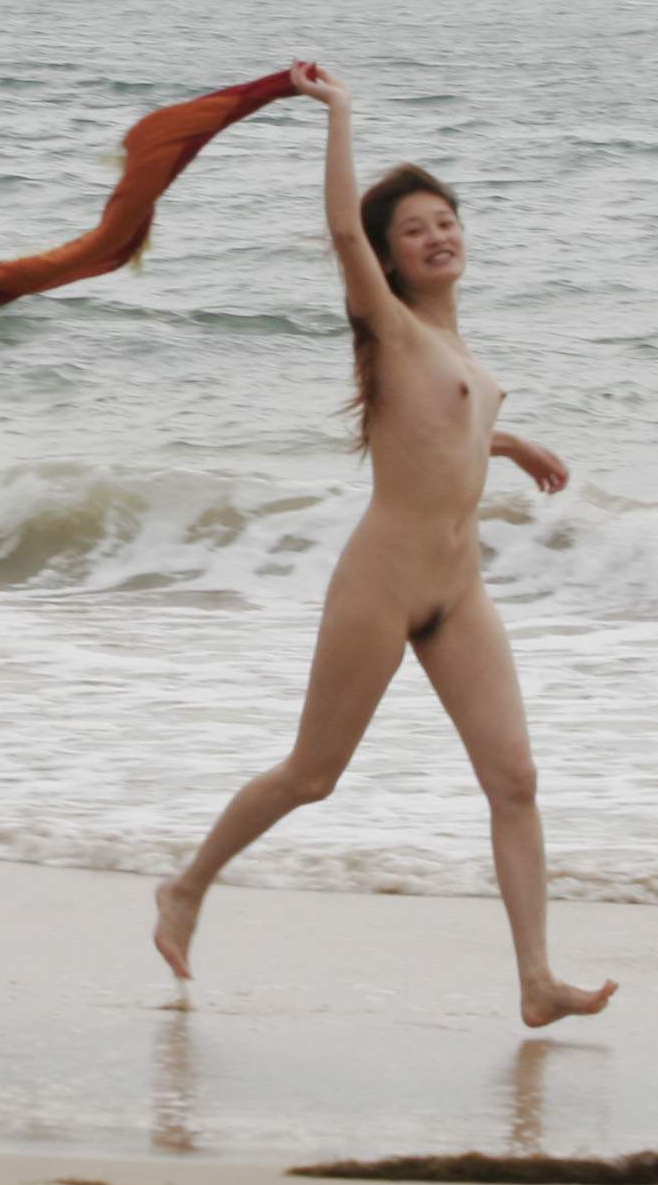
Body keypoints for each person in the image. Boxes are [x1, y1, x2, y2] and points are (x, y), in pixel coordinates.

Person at [152, 60, 617, 1028]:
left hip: (460, 590)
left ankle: (536, 980)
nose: (438, 234)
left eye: (447, 220)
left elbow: (437, 432)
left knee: (515, 780)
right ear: (389, 260)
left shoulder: (458, 351)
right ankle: (186, 887)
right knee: (312, 774)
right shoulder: (391, 327)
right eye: (414, 229)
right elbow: (338, 230)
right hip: (383, 583)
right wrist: (338, 112)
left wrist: (510, 441)